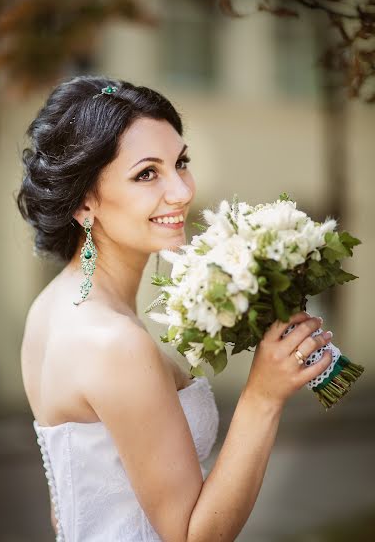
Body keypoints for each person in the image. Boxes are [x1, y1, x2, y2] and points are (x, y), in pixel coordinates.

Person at [17, 75, 333, 542]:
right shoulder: (113, 343)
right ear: (85, 202)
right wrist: (263, 396)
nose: (182, 191)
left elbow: (68, 507)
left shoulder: (50, 308)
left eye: (180, 162)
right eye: (148, 173)